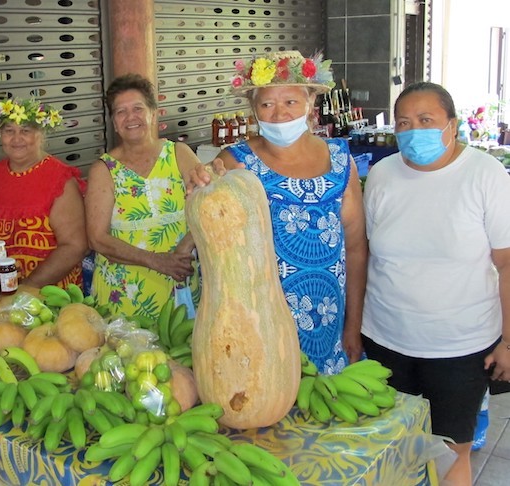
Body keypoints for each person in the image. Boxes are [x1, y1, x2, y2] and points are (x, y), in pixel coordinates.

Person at [361, 82, 510, 486]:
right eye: (404, 123)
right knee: (395, 445)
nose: (413, 132)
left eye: (426, 120)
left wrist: (509, 343)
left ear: (453, 124)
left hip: (459, 347)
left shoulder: (485, 174)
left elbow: (507, 265)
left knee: (449, 451)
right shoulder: (382, 174)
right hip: (386, 339)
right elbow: (369, 253)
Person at [188, 51, 368, 373]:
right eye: (267, 104)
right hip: (261, 320)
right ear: (254, 110)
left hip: (327, 318)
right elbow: (211, 222)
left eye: (290, 102)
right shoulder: (234, 161)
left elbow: (354, 248)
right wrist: (202, 183)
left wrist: (353, 326)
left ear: (310, 103)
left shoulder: (341, 161)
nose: (279, 114)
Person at [86, 73, 200, 319]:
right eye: (121, 112)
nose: (131, 118)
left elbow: (208, 207)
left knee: (184, 353)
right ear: (114, 122)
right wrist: (157, 261)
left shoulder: (179, 153)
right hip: (124, 292)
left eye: (138, 108)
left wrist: (186, 245)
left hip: (180, 284)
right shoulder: (104, 169)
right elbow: (97, 238)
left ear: (152, 113)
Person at [0, 98, 88, 288]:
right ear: (0, 135)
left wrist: (26, 289)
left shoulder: (60, 179)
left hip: (49, 294)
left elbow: (74, 247)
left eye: (26, 131)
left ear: (41, 135)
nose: (17, 139)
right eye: (9, 131)